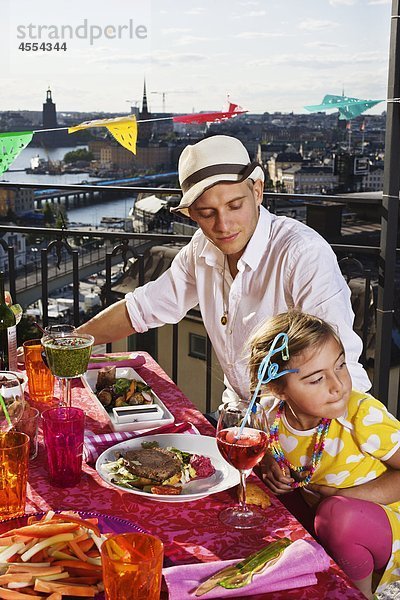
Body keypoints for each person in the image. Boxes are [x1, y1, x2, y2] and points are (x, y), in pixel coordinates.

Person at [77, 134, 370, 406]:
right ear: (192, 215)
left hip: (301, 426)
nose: (223, 225)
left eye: (234, 205)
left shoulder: (303, 253)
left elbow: (341, 372)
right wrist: (69, 344)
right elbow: (141, 308)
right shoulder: (199, 248)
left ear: (257, 191)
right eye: (207, 213)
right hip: (237, 417)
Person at [248, 310, 400, 599]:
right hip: (324, 519)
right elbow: (264, 449)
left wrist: (342, 496)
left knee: (335, 514)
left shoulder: (361, 415)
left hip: (387, 524)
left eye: (340, 366)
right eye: (317, 380)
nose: (338, 385)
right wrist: (268, 463)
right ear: (278, 389)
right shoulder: (269, 417)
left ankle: (358, 594)